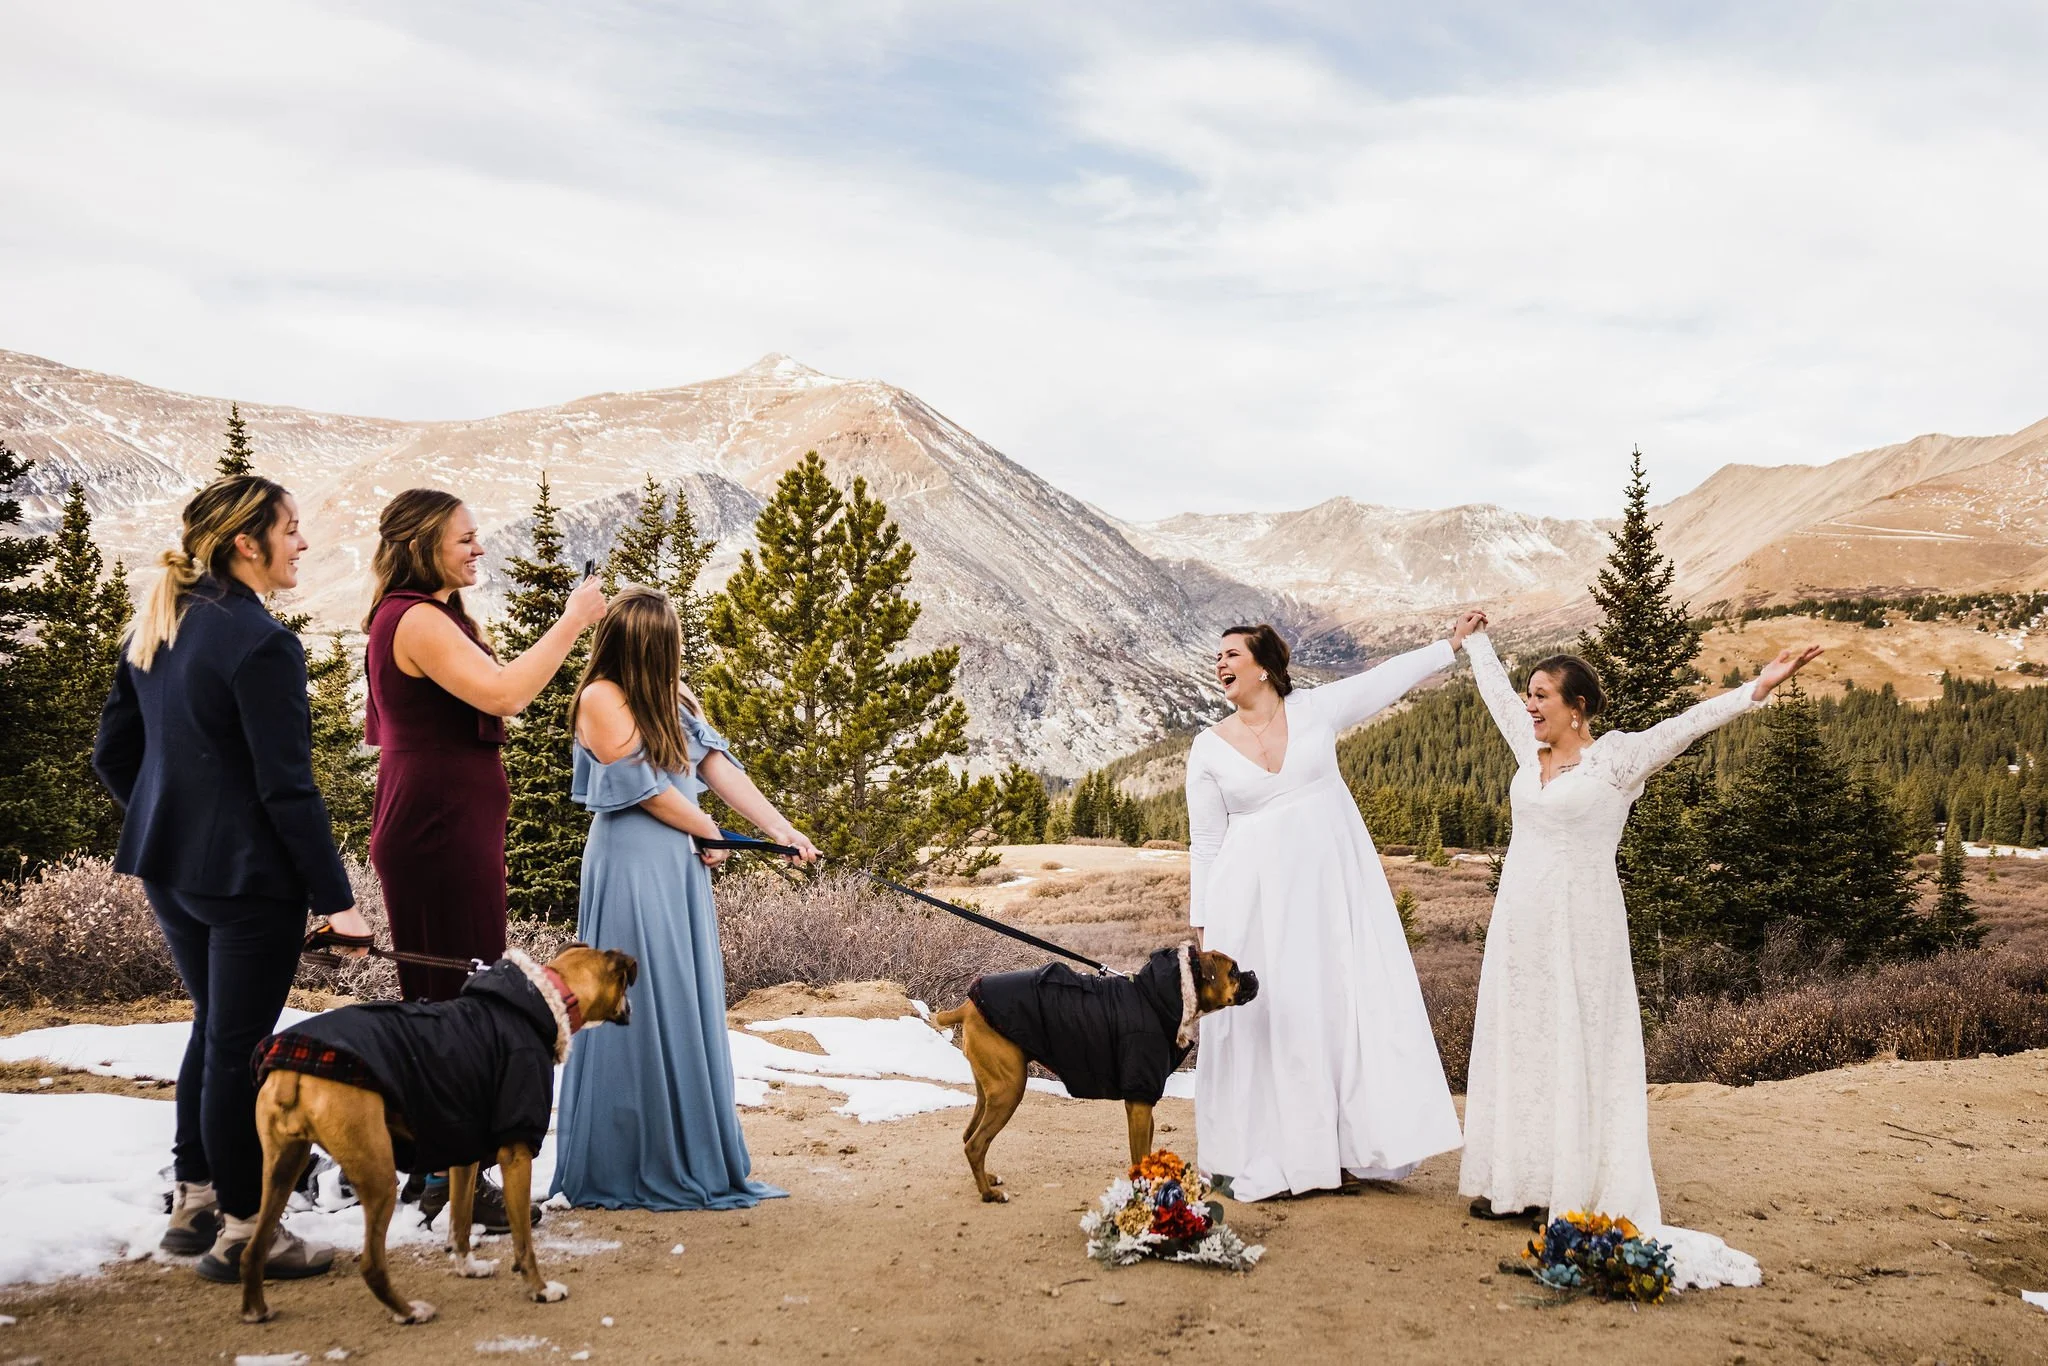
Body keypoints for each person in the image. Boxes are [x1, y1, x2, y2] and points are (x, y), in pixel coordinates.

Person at [1458, 620, 1821, 1288]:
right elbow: (1497, 700)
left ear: (1579, 708)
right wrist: (1475, 643)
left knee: (1575, 1042)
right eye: (1531, 694)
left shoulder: (1614, 761)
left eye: (1544, 696)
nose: (1531, 705)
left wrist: (1757, 690)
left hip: (1582, 925)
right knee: (1525, 1042)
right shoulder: (1526, 747)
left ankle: (1571, 1185)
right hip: (1520, 926)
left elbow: (1683, 726)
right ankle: (1521, 1181)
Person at [93, 475, 372, 1283]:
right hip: (248, 882)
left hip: (169, 868)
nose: (303, 544)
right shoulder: (261, 642)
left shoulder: (164, 620)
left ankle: (197, 1199)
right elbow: (288, 788)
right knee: (241, 1049)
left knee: (215, 1031)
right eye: (291, 529)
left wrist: (173, 818)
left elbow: (114, 756)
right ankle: (248, 1232)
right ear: (248, 542)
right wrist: (338, 902)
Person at [361, 488, 604, 1224]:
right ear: (421, 543)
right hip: (435, 825)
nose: (478, 549)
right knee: (456, 999)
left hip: (449, 821)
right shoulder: (415, 619)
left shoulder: (431, 616)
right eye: (464, 539)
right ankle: (444, 1177)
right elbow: (503, 696)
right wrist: (571, 621)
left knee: (451, 993)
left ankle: (433, 1164)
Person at [1186, 619, 1479, 1202]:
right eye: (1216, 656)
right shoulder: (1207, 746)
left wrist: (1448, 645)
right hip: (1250, 902)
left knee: (1337, 1007)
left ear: (1263, 666)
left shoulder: (1316, 710)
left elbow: (1384, 680)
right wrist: (1204, 924)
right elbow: (1206, 842)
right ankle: (1269, 1150)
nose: (1220, 664)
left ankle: (1342, 1149)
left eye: (1231, 654)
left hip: (1330, 892)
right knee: (1271, 1015)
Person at [550, 588, 818, 1210]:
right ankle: (626, 1157)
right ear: (647, 644)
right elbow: (645, 793)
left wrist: (781, 829)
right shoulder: (599, 698)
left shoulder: (676, 699)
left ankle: (691, 1147)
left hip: (676, 865)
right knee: (635, 996)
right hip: (632, 864)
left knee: (681, 992)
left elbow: (718, 769)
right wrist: (709, 830)